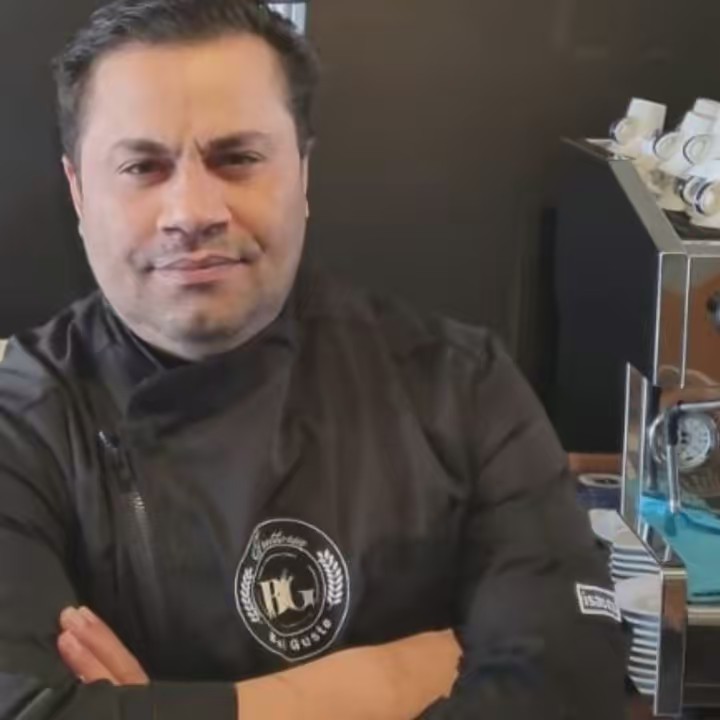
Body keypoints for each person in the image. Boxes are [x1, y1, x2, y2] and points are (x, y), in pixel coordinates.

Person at [0, 1, 627, 718]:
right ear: (79, 192)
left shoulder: (462, 385)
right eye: (142, 166)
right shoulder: (22, 422)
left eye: (238, 158)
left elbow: (571, 688)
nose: (193, 211)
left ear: (302, 174)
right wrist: (382, 685)